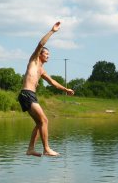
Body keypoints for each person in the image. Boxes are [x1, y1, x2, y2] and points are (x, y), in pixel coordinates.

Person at [18, 21, 75, 157]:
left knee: (39, 123)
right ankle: (46, 149)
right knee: (45, 120)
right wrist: (52, 31)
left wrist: (65, 89)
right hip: (27, 94)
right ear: (40, 55)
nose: (48, 56)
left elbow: (53, 83)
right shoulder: (34, 60)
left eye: (49, 55)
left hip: (30, 95)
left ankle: (30, 149)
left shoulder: (41, 70)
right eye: (47, 54)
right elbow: (41, 44)